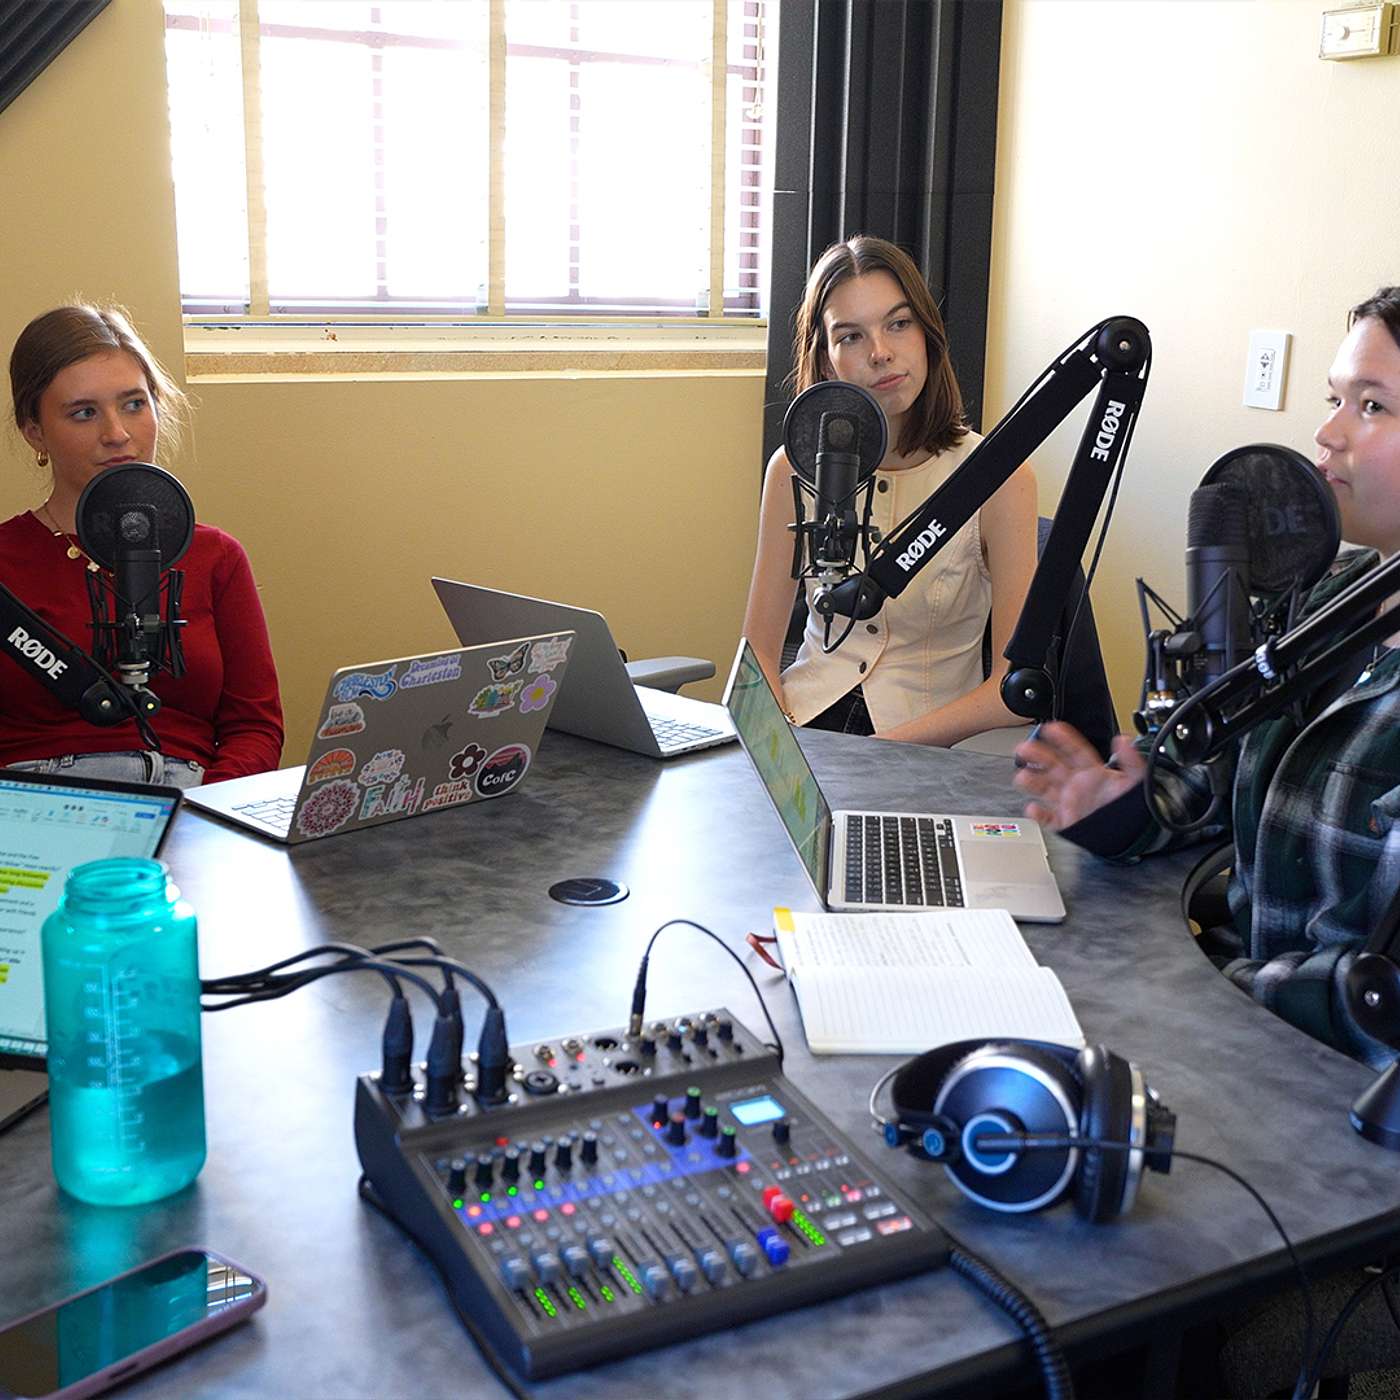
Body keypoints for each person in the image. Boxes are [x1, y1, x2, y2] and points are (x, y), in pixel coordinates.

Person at [1014, 286, 1400, 1068]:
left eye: (1372, 406)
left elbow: (1373, 994)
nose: (1327, 434)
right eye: (1333, 399)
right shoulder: (1332, 598)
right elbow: (1219, 775)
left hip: (1328, 1082)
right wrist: (1127, 809)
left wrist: (1198, 999)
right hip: (1243, 1021)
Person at [741, 235, 1038, 746]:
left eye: (898, 324)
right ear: (826, 358)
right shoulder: (792, 469)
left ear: (927, 335)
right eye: (851, 336)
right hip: (804, 725)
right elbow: (760, 654)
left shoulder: (999, 477)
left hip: (927, 747)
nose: (880, 353)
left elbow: (1009, 692)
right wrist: (774, 744)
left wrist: (877, 757)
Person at [1, 304, 283, 788]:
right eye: (84, 413)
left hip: (190, 799)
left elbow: (255, 727)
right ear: (35, 432)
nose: (117, 434)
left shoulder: (216, 557)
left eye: (134, 404)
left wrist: (205, 813)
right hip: (37, 804)